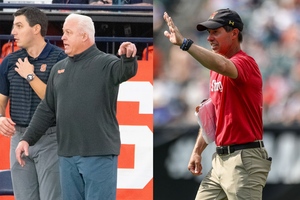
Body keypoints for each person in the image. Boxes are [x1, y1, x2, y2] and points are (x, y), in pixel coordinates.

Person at [15, 13, 138, 200]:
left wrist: (128, 57)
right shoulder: (59, 69)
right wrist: (27, 139)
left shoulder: (106, 63)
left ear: (84, 36)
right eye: (63, 32)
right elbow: (47, 108)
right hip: (67, 155)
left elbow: (125, 70)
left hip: (99, 153)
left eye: (68, 32)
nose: (62, 37)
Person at [163, 8, 272, 200]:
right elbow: (212, 115)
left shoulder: (245, 63)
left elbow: (223, 65)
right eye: (209, 33)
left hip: (243, 160)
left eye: (216, 32)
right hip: (220, 160)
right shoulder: (215, 68)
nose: (209, 38)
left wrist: (185, 44)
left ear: (234, 33)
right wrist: (197, 151)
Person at [0, 6, 67, 200]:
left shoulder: (60, 59)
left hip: (50, 138)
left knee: (51, 197)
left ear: (36, 29)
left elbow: (56, 100)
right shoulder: (9, 61)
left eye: (19, 26)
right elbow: (1, 100)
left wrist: (30, 75)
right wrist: (1, 117)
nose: (13, 32)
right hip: (19, 136)